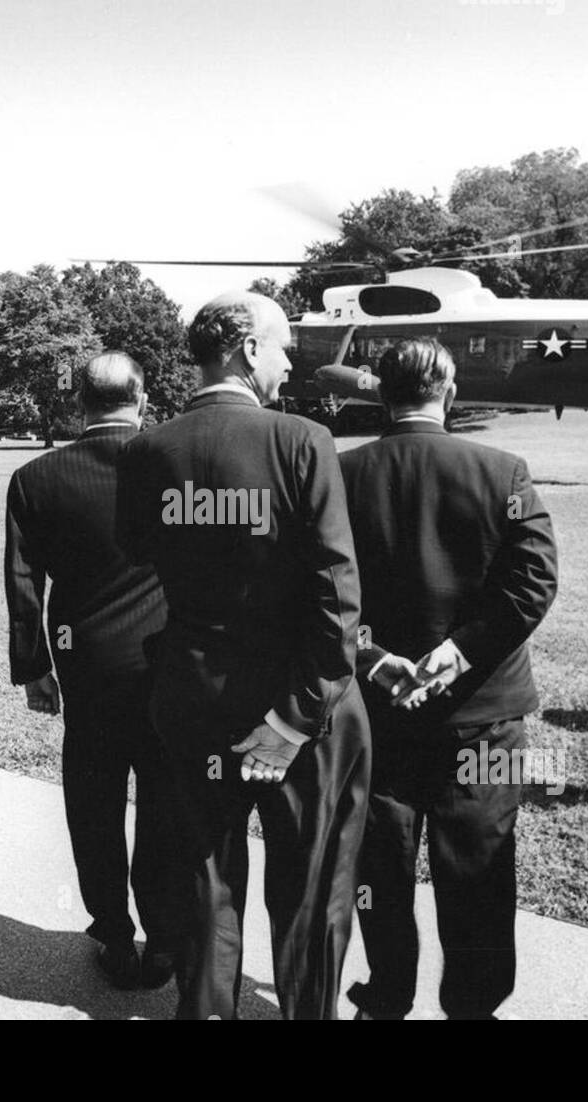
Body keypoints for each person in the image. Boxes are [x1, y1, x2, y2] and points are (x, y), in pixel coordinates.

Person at [117, 291, 371, 1020]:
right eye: (283, 344)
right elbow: (337, 594)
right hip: (302, 700)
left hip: (195, 693)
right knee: (313, 884)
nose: (290, 361)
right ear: (245, 349)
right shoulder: (302, 440)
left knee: (204, 877)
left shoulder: (147, 449)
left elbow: (139, 549)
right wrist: (295, 717)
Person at [340, 338, 558, 1020]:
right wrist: (460, 653)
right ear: (451, 394)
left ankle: (387, 993)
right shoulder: (504, 469)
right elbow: (534, 581)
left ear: (380, 394)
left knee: (380, 869)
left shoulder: (339, 474)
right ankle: (474, 1006)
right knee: (479, 869)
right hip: (482, 710)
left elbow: (316, 592)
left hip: (378, 712)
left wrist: (373, 656)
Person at [5, 352, 182, 989]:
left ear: (79, 402)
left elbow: (22, 582)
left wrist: (32, 669)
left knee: (94, 802)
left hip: (86, 666)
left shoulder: (35, 478)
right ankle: (164, 937)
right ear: (141, 397)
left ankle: (113, 930)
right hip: (166, 661)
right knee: (164, 800)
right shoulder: (172, 465)